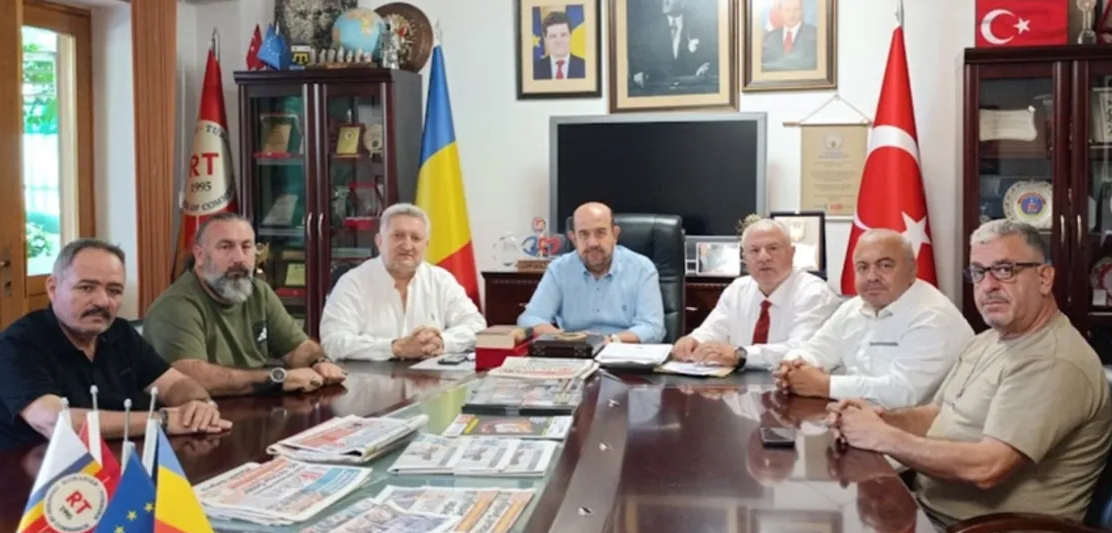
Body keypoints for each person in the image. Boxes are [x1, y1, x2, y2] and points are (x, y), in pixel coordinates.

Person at [828, 220, 1112, 533]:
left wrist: (884, 438)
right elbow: (936, 415)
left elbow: (988, 468)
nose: (988, 285)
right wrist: (878, 418)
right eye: (978, 272)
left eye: (1005, 270)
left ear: (1044, 278)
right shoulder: (989, 341)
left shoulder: (1053, 361)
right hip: (940, 521)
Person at [0, 239, 227, 457]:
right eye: (86, 288)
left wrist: (199, 404)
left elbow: (173, 384)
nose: (102, 301)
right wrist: (163, 420)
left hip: (108, 467)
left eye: (114, 291)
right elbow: (57, 422)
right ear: (53, 288)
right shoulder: (18, 344)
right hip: (25, 481)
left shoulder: (119, 333)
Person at [143, 212, 348, 397]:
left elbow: (296, 347)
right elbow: (190, 378)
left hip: (258, 406)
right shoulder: (175, 306)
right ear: (200, 256)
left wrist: (318, 361)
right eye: (226, 247)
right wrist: (276, 378)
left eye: (246, 246)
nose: (239, 258)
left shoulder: (259, 292)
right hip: (203, 415)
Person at [774, 228, 973, 408]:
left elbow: (904, 392)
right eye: (862, 267)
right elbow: (815, 350)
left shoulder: (932, 316)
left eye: (885, 266)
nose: (871, 277)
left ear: (912, 270)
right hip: (858, 421)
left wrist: (825, 385)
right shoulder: (853, 308)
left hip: (916, 430)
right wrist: (792, 368)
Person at [319, 203, 486, 361]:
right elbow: (333, 341)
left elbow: (476, 325)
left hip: (430, 377)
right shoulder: (353, 283)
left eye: (416, 238)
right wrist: (395, 347)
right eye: (398, 236)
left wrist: (441, 341)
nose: (407, 246)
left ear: (426, 245)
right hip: (368, 379)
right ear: (379, 241)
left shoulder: (441, 280)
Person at [672, 218, 838, 369]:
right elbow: (711, 331)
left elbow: (802, 351)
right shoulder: (737, 289)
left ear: (792, 253)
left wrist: (741, 355)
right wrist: (693, 341)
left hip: (794, 385)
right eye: (754, 250)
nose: (763, 257)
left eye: (773, 248)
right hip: (739, 386)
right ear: (744, 258)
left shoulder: (814, 293)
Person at [517, 202, 665, 344]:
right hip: (575, 351)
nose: (593, 243)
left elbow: (652, 327)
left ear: (615, 234)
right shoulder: (559, 269)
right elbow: (531, 318)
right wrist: (564, 338)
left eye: (600, 233)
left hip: (623, 351)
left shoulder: (641, 268)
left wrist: (609, 340)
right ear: (573, 239)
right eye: (584, 234)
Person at [628, 0, 718, 94]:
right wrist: (638, 71)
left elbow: (713, 55)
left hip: (691, 90)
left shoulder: (700, 26)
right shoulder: (649, 28)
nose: (665, 1)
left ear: (684, 3)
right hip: (656, 90)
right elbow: (638, 58)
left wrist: (707, 66)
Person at [760, 0, 819, 72]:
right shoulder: (770, 37)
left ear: (802, 11)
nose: (792, 14)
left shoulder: (815, 35)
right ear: (780, 13)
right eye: (787, 10)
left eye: (796, 9)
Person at [533, 11, 586, 80]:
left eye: (563, 35)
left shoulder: (585, 67)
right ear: (545, 39)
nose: (559, 41)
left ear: (570, 36)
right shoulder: (535, 70)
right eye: (553, 36)